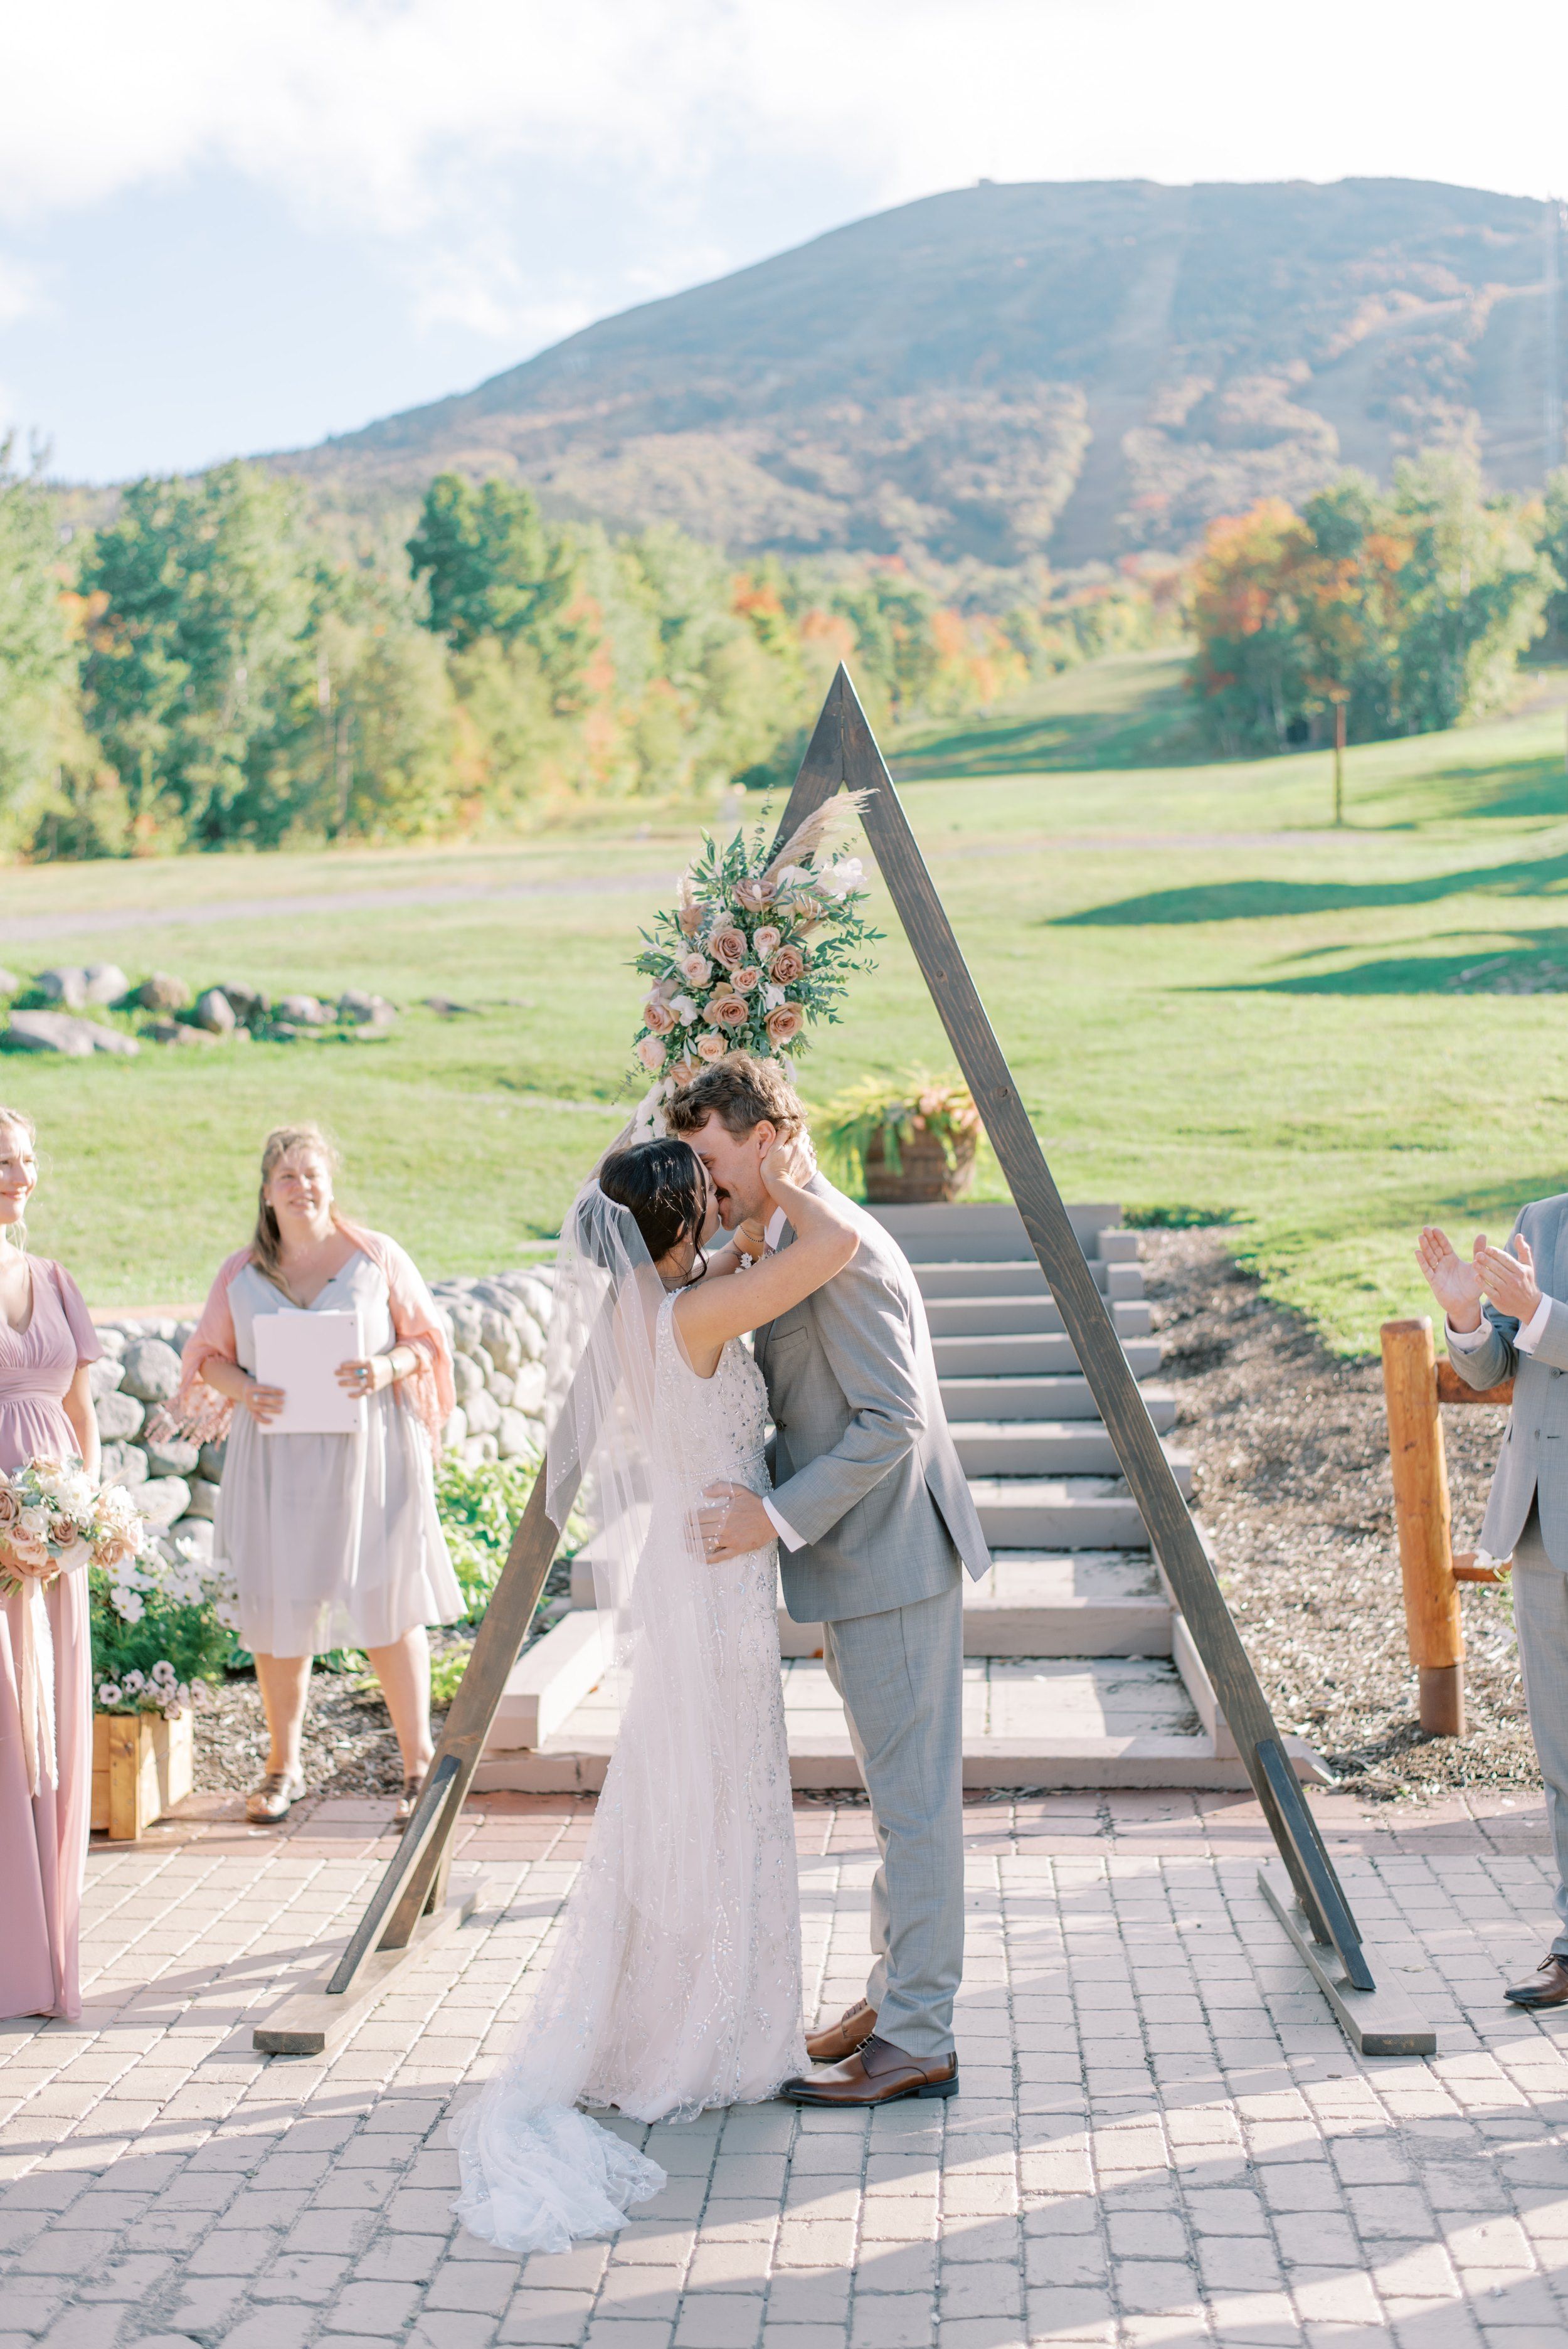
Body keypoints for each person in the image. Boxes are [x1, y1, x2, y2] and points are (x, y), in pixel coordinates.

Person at [452, 1128, 859, 2254]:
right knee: (721, 1793)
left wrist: (728, 1235)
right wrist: (786, 1184)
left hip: (698, 1571)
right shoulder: (690, 1316)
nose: (721, 1204)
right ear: (674, 1222)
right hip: (717, 1586)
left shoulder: (652, 1304)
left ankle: (675, 2018)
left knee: (690, 1793)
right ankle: (711, 2038)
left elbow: (726, 1273)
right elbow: (822, 1253)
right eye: (705, 1195)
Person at [669, 1053, 990, 2108]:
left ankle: (919, 2039)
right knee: (899, 1808)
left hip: (891, 1555)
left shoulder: (838, 1251)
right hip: (869, 1564)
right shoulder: (802, 1236)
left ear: (767, 1139)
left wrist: (773, 1514)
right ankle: (894, 2000)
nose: (711, 1190)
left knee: (915, 1811)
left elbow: (891, 1422)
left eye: (717, 1161)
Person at [173, 1124, 462, 1825]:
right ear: (267, 1194)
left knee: (387, 1601)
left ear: (331, 1181)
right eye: (287, 1178)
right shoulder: (240, 1275)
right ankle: (282, 1767)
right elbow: (205, 1358)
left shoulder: (375, 1257)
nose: (302, 1187)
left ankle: (418, 1765)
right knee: (281, 1608)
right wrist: (244, 1388)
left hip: (371, 1454)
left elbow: (429, 1339)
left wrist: (382, 1367)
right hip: (276, 1459)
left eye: (312, 1174)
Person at [1421, 1204, 1568, 2007]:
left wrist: (1538, 1310)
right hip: (1542, 1525)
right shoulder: (1539, 1222)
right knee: (1562, 1758)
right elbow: (1495, 1370)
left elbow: (1547, 1328)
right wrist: (1466, 1314)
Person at [0, 1107, 102, 2022]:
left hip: (55, 1536)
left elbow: (80, 1409)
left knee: (55, 1732)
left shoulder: (56, 1279)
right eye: (2, 1161)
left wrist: (90, 1506)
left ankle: (50, 1957)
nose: (17, 1175)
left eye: (26, 1159)